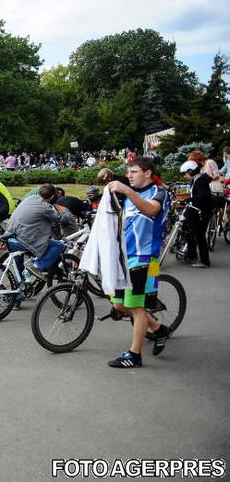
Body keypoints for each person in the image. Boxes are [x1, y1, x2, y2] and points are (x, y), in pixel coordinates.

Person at [105, 157, 171, 368]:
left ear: (148, 173)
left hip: (145, 257)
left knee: (136, 307)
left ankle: (134, 355)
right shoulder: (130, 192)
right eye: (128, 172)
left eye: (134, 172)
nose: (129, 176)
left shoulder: (159, 192)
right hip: (125, 255)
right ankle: (160, 329)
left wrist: (127, 191)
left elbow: (151, 210)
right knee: (119, 304)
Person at [3, 184, 75, 288]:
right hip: (23, 240)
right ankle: (36, 266)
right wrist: (67, 214)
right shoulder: (45, 207)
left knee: (19, 272)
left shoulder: (29, 198)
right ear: (52, 196)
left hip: (10, 236)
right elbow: (59, 219)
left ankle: (16, 297)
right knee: (59, 245)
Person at [179, 160, 211, 268]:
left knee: (200, 236)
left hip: (202, 212)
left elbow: (203, 196)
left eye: (184, 173)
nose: (184, 176)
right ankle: (192, 255)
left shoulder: (201, 181)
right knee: (192, 232)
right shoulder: (196, 180)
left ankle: (204, 261)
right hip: (197, 210)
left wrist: (189, 199)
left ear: (190, 171)